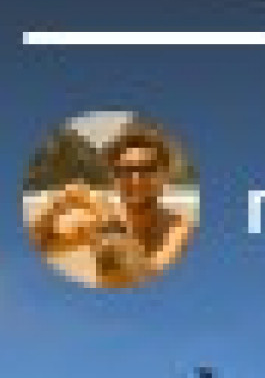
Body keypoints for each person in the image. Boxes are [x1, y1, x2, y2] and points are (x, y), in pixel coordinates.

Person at [27, 120, 198, 289]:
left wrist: (111, 231)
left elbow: (147, 276)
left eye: (147, 169)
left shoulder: (177, 228)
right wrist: (58, 204)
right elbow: (41, 243)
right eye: (126, 170)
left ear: (164, 175)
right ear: (114, 177)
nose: (136, 179)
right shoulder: (99, 218)